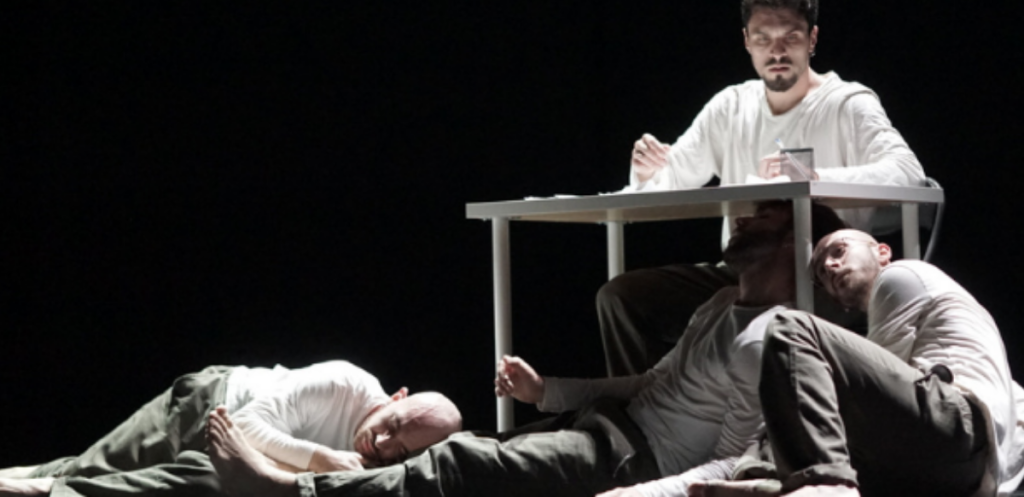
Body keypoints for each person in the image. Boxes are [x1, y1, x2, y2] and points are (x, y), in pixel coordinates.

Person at [199, 201, 847, 497]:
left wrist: (648, 493)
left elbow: (730, 459)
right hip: (608, 427)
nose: (743, 219)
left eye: (766, 215)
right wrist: (548, 390)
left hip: (634, 459)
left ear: (796, 241)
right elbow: (648, 383)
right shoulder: (721, 303)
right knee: (465, 452)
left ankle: (294, 491)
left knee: (460, 463)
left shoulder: (766, 338)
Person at [599, 0, 926, 377]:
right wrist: (647, 175)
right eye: (763, 39)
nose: (777, 51)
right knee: (622, 297)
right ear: (746, 41)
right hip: (744, 276)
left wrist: (815, 178)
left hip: (822, 279)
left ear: (812, 39)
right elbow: (669, 182)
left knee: (764, 331)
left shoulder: (846, 103)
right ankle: (642, 413)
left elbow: (909, 175)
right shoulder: (730, 106)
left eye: (790, 37)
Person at [692, 229, 1024, 497]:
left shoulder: (902, 275)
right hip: (957, 470)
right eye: (821, 273)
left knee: (792, 328)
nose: (830, 266)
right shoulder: (938, 327)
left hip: (954, 428)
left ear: (882, 252)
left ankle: (823, 484)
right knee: (792, 421)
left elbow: (866, 413)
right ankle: (776, 482)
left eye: (839, 251)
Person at [0, 360, 461, 497]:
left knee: (88, 477)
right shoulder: (346, 383)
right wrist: (324, 459)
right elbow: (243, 426)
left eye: (401, 451)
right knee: (88, 475)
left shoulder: (389, 468)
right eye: (390, 425)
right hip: (206, 408)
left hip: (228, 450)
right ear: (396, 397)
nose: (381, 444)